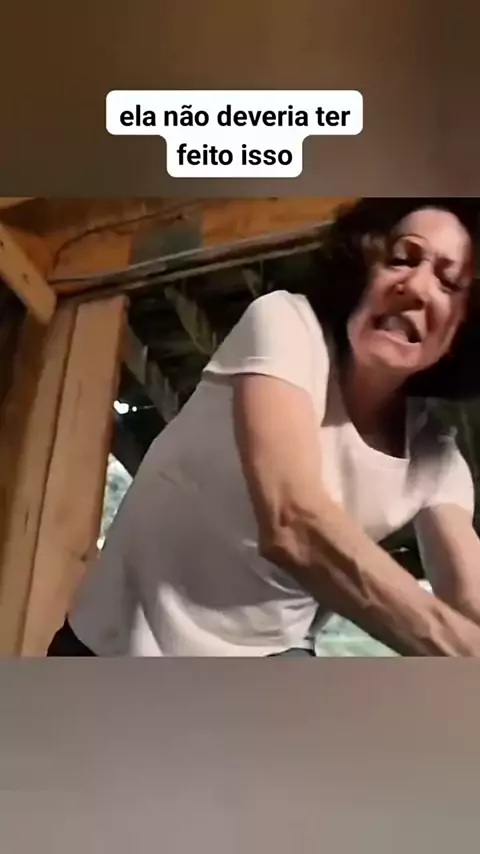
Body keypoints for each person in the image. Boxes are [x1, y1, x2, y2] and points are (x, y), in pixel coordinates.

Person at [48, 197, 480, 657]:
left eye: (448, 282)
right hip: (114, 645)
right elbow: (293, 524)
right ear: (363, 272)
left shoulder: (436, 458)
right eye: (401, 258)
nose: (415, 285)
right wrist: (454, 645)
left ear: (462, 330)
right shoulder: (286, 325)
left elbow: (470, 599)